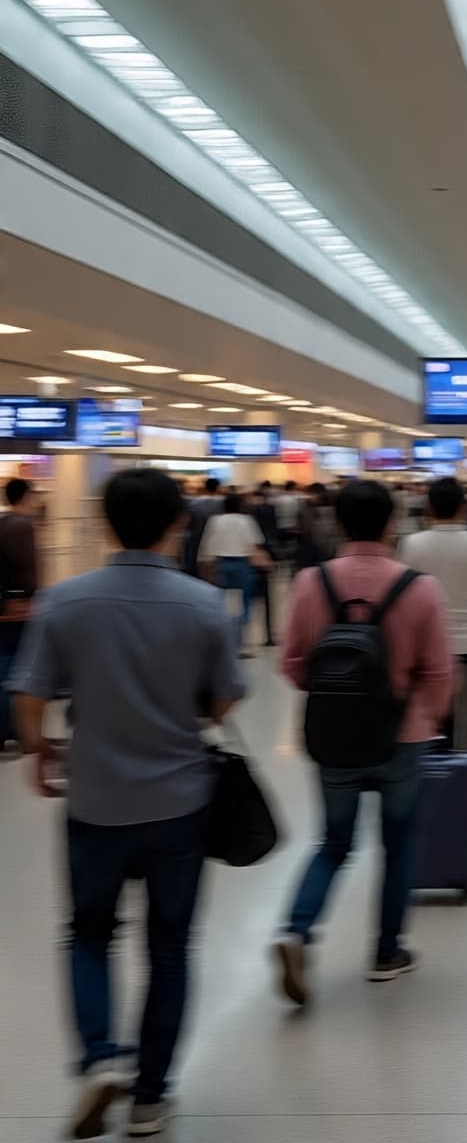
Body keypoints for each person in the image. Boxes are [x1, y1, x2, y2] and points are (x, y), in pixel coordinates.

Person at [8, 469, 245, 1139]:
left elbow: (28, 694)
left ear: (105, 525)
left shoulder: (65, 601)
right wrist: (186, 713)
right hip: (180, 803)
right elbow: (226, 696)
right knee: (169, 948)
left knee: (88, 933)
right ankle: (149, 1098)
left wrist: (41, 750)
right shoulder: (204, 604)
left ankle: (100, 1057)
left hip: (95, 801)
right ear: (179, 525)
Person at [274, 480, 455, 1002]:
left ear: (337, 522)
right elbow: (439, 672)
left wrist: (332, 695)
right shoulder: (419, 588)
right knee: (399, 844)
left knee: (334, 843)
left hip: (334, 737)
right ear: (393, 523)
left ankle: (297, 931)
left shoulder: (311, 583)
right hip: (402, 735)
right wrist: (425, 716)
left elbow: (291, 663)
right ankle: (386, 952)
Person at [401, 477, 467, 751]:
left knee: (428, 714)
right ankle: (466, 767)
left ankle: (431, 766)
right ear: (464, 507)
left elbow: (404, 591)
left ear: (429, 508)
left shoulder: (412, 544)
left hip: (425, 644)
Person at [198, 490, 267, 657]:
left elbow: (207, 545)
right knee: (244, 604)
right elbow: (255, 545)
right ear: (241, 506)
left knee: (221, 604)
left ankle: (223, 643)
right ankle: (240, 644)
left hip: (221, 564)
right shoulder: (247, 520)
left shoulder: (215, 520)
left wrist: (206, 567)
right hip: (242, 564)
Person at [0, 477, 40, 751]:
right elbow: (27, 570)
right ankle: (14, 729)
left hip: (3, 608)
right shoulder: (22, 525)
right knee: (17, 669)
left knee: (4, 665)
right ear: (25, 497)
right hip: (19, 609)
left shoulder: (2, 522)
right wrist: (26, 596)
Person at [249, 485, 282, 648]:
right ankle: (269, 634)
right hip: (267, 553)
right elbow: (274, 532)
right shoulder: (271, 509)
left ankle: (252, 635)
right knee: (269, 598)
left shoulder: (250, 511)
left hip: (254, 555)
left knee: (251, 598)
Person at [182, 477, 222, 576]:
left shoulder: (194, 503)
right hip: (215, 536)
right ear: (218, 488)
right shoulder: (222, 503)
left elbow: (188, 521)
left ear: (205, 487)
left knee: (193, 559)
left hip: (196, 534)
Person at [274, 479, 303, 565]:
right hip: (292, 525)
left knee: (282, 545)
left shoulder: (278, 499)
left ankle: (283, 561)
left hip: (280, 524)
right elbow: (297, 512)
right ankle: (291, 560)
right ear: (292, 488)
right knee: (292, 545)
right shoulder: (294, 499)